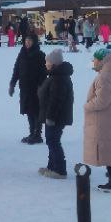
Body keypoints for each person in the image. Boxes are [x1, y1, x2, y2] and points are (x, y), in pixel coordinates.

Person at [83, 48, 111, 192]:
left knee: (107, 149)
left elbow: (102, 100)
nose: (93, 62)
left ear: (102, 60)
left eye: (95, 59)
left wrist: (88, 105)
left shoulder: (105, 77)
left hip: (104, 119)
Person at [36, 49, 74, 178]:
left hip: (56, 117)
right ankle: (52, 166)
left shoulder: (58, 78)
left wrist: (50, 117)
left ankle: (60, 170)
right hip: (53, 116)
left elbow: (56, 100)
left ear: (54, 63)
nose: (45, 63)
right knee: (51, 140)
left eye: (47, 61)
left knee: (53, 141)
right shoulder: (55, 75)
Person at [9, 33, 46, 144]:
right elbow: (16, 69)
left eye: (30, 40)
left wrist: (41, 86)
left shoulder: (40, 55)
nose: (27, 42)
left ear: (34, 42)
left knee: (36, 111)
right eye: (26, 40)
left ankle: (37, 135)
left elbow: (43, 72)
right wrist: (12, 83)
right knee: (29, 111)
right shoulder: (22, 54)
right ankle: (32, 133)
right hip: (24, 87)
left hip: (36, 88)